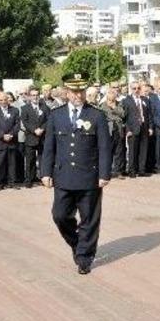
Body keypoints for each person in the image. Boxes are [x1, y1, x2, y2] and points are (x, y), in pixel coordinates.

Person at [41, 72, 111, 275]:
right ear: (66, 91)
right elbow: (49, 148)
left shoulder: (97, 115)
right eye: (74, 91)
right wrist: (45, 172)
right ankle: (78, 243)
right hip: (63, 176)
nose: (78, 95)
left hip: (89, 176)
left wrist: (104, 173)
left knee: (89, 219)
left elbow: (104, 148)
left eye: (81, 91)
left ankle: (84, 257)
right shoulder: (56, 115)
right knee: (59, 215)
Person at [0, 92, 21, 189]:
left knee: (12, 162)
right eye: (1, 100)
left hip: (12, 141)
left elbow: (17, 124)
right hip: (0, 141)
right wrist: (3, 135)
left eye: (5, 100)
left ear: (8, 100)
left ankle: (12, 182)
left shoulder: (14, 110)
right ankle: (0, 183)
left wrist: (11, 134)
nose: (3, 102)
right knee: (0, 163)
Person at [20, 87, 50, 188]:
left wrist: (42, 129)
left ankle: (42, 178)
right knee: (30, 160)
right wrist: (34, 130)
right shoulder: (25, 108)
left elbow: (48, 120)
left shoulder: (45, 107)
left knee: (43, 159)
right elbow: (25, 121)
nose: (35, 97)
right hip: (31, 137)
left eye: (37, 95)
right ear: (29, 96)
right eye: (33, 95)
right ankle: (29, 179)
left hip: (42, 137)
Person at [122, 81, 152, 177]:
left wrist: (150, 127)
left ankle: (141, 170)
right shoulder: (126, 100)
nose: (136, 90)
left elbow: (149, 115)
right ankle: (132, 170)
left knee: (144, 150)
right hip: (133, 129)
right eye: (134, 88)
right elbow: (124, 118)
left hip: (144, 127)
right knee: (133, 151)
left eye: (138, 88)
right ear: (131, 89)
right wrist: (128, 130)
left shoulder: (145, 100)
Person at [99, 86, 126, 178]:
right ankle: (107, 171)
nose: (113, 95)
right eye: (110, 93)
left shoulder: (119, 104)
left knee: (119, 151)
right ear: (107, 95)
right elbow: (102, 117)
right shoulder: (102, 105)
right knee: (108, 151)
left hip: (118, 130)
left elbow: (122, 114)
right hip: (108, 130)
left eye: (114, 94)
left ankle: (118, 171)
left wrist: (114, 107)